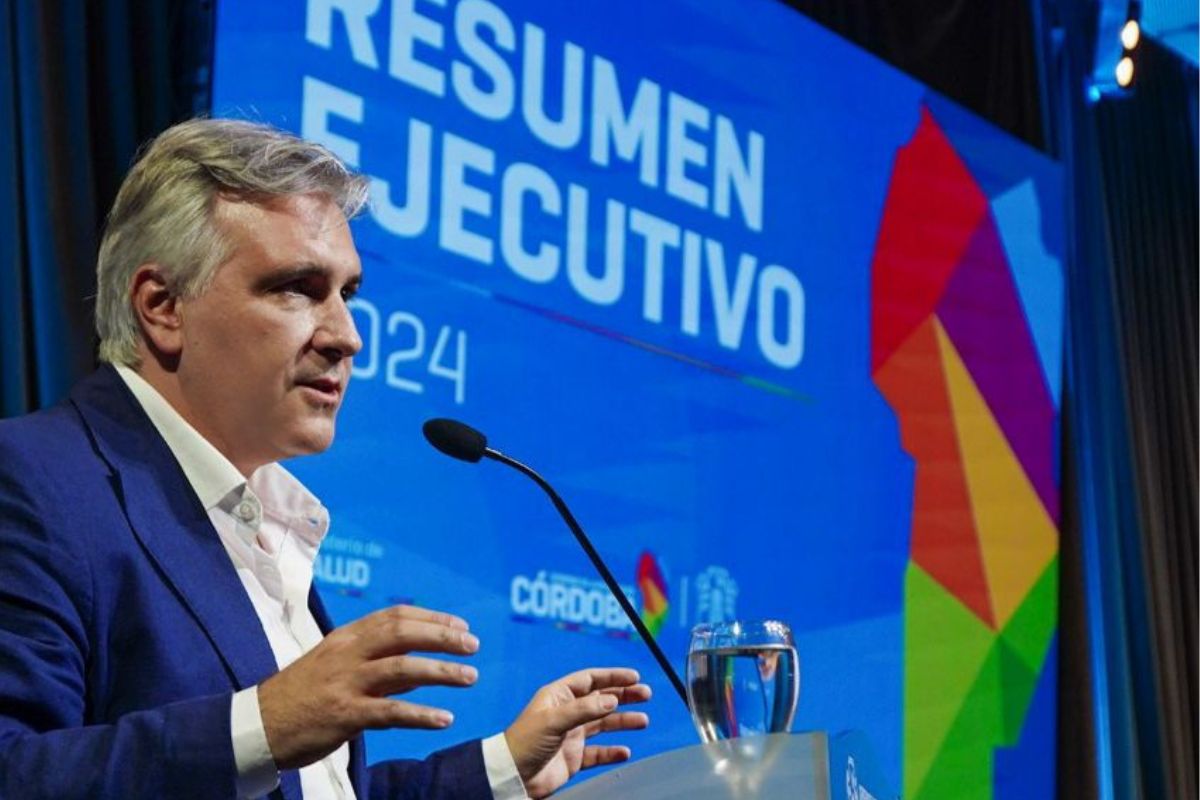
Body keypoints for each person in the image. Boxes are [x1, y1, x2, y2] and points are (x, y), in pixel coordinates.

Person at [0, 118, 650, 799]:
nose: (347, 336)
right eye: (298, 288)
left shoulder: (262, 518)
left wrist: (501, 768)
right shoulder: (33, 482)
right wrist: (266, 723)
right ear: (163, 307)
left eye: (348, 293)